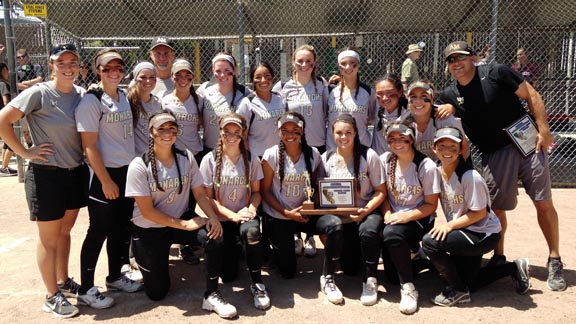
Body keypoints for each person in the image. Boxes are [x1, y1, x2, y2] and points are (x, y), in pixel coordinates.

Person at [438, 41, 565, 291]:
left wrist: (544, 130)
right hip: (494, 152)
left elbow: (532, 95)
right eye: (451, 60)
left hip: (527, 141)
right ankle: (499, 256)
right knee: (496, 207)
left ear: (473, 58)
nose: (457, 63)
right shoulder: (450, 94)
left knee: (543, 201)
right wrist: (451, 105)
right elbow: (444, 108)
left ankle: (554, 258)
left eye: (461, 57)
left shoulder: (496, 72)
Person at [0, 44, 86, 318]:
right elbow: (3, 119)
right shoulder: (39, 93)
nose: (68, 67)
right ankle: (51, 296)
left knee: (64, 232)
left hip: (74, 173)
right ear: (52, 64)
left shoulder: (81, 95)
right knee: (48, 239)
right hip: (46, 174)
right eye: (62, 62)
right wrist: (23, 152)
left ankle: (63, 281)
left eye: (73, 61)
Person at [126, 111, 237, 318]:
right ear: (151, 133)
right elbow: (147, 211)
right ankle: (140, 255)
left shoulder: (186, 157)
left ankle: (211, 294)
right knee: (157, 293)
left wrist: (212, 217)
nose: (167, 133)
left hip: (178, 220)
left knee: (214, 234)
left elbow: (200, 194)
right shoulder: (139, 165)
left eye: (172, 129)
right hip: (149, 228)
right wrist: (184, 225)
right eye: (161, 129)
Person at [422, 127, 531, 307]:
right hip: (463, 229)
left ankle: (458, 292)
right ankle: (513, 268)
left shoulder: (469, 176)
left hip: (482, 233)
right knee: (468, 282)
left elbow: (479, 213)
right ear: (434, 148)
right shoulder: (436, 171)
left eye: (453, 146)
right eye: (442, 146)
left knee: (430, 242)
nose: (447, 151)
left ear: (461, 149)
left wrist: (449, 226)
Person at [75, 48, 142, 309]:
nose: (114, 72)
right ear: (98, 71)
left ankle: (115, 276)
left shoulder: (124, 96)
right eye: (107, 68)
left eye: (118, 67)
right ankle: (86, 288)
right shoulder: (92, 101)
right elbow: (89, 145)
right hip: (105, 174)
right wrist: (105, 180)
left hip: (126, 171)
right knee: (98, 230)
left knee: (121, 227)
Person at [261, 112, 345, 305]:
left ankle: (328, 276)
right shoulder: (271, 154)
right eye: (285, 130)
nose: (290, 134)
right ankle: (285, 248)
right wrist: (287, 212)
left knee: (334, 225)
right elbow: (265, 192)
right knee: (288, 272)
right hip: (281, 215)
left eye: (295, 130)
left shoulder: (313, 153)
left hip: (306, 214)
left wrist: (308, 206)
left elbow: (316, 187)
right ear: (279, 132)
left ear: (303, 131)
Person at [199, 113, 270, 310]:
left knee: (252, 232)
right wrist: (231, 216)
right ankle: (237, 249)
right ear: (220, 133)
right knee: (228, 276)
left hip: (244, 215)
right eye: (227, 132)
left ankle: (257, 282)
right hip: (223, 218)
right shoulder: (209, 160)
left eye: (236, 132)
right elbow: (208, 197)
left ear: (243, 134)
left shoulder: (251, 159)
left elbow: (256, 193)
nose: (232, 136)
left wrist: (251, 208)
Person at [319, 114, 386, 306]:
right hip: (341, 217)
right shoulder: (326, 158)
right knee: (349, 268)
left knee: (370, 229)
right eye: (339, 132)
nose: (343, 137)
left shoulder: (369, 155)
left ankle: (371, 278)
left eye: (348, 132)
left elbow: (380, 192)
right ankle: (328, 277)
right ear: (332, 134)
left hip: (364, 212)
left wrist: (364, 211)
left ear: (356, 133)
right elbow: (321, 194)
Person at [272, 44, 329, 257]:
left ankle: (310, 234)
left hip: (317, 145)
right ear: (293, 62)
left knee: (312, 189)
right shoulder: (283, 86)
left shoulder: (322, 85)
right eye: (300, 61)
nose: (304, 65)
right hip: (294, 145)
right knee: (294, 188)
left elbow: (327, 111)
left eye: (309, 61)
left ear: (314, 63)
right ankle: (296, 234)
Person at [380, 122, 441, 314]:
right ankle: (424, 261)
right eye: (393, 139)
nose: (397, 143)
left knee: (391, 234)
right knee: (390, 276)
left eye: (403, 139)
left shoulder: (426, 165)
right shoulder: (385, 160)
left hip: (419, 217)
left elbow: (431, 205)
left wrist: (405, 217)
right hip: (395, 216)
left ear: (412, 140)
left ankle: (408, 287)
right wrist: (388, 213)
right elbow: (382, 195)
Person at [197, 52, 250, 159]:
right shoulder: (205, 89)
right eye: (218, 71)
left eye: (227, 71)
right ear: (213, 71)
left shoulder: (244, 93)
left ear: (234, 70)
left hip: (234, 152)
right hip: (209, 151)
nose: (222, 75)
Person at [327, 48, 376, 151]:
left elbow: (372, 117)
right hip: (334, 148)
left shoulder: (368, 92)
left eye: (352, 63)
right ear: (339, 67)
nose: (348, 67)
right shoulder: (330, 91)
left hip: (361, 148)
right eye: (343, 64)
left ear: (358, 65)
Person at [406, 81, 469, 160]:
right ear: (407, 99)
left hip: (445, 167)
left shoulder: (445, 118)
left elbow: (464, 148)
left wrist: (462, 169)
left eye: (423, 96)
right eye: (413, 97)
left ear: (432, 99)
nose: (418, 101)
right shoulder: (404, 122)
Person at [237, 62, 286, 158]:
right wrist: (249, 159)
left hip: (279, 155)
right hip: (257, 156)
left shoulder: (280, 99)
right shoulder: (247, 103)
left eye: (267, 76)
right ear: (252, 80)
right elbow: (243, 136)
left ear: (272, 77)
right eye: (258, 77)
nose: (263, 80)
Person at [161, 59, 203, 158]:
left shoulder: (200, 100)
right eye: (178, 77)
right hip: (174, 154)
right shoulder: (165, 100)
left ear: (193, 78)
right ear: (172, 77)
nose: (183, 80)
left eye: (188, 77)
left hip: (196, 153)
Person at [128, 62, 163, 156]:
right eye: (143, 77)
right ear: (135, 79)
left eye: (152, 77)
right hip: (134, 158)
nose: (148, 81)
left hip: (154, 156)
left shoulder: (158, 103)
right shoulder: (127, 100)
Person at [371, 73, 410, 155]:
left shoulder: (409, 113)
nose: (385, 98)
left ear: (399, 92)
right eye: (380, 94)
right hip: (378, 162)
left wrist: (445, 106)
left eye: (389, 93)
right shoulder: (376, 108)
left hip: (399, 162)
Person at [0, 62, 17, 176]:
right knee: (12, 141)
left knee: (6, 141)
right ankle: (4, 167)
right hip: (4, 117)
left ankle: (3, 166)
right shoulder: (3, 84)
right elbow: (6, 101)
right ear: (4, 70)